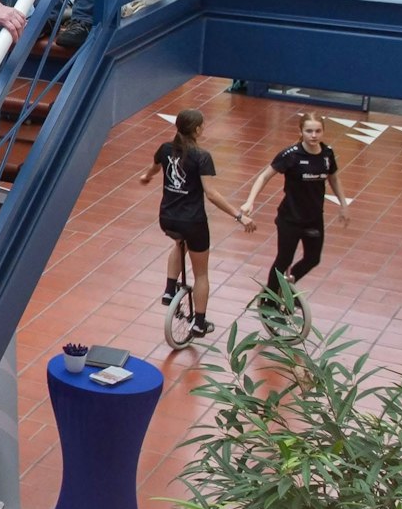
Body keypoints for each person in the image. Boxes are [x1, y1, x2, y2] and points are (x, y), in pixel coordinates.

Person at [136, 108, 250, 337]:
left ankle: (169, 290)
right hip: (193, 221)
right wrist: (238, 215)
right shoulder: (201, 156)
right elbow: (211, 193)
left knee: (179, 244)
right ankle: (199, 322)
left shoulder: (165, 149)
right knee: (201, 274)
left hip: (167, 217)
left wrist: (146, 176)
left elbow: (154, 167)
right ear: (197, 129)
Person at [243, 112, 350, 306]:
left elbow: (333, 177)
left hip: (314, 218)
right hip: (290, 219)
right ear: (300, 131)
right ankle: (269, 301)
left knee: (313, 258)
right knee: (283, 260)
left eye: (318, 131)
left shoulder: (327, 154)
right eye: (309, 131)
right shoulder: (290, 155)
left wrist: (343, 205)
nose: (314, 135)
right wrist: (250, 201)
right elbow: (264, 176)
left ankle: (286, 286)